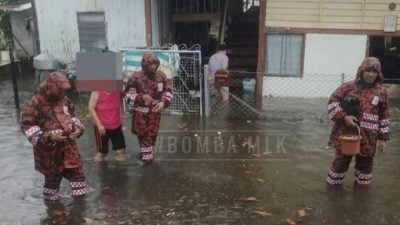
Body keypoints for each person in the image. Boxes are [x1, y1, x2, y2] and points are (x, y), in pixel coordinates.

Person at [21, 72, 86, 203]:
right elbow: (27, 126)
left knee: (78, 176)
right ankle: (52, 210)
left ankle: (79, 210)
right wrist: (49, 137)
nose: (63, 93)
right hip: (49, 152)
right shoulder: (36, 102)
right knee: (52, 181)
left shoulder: (65, 100)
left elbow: (72, 116)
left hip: (68, 147)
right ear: (52, 87)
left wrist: (78, 129)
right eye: (61, 90)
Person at [325, 57, 390, 187]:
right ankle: (332, 193)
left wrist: (383, 139)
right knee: (340, 164)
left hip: (369, 138)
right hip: (346, 135)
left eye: (374, 71)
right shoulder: (347, 87)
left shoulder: (381, 92)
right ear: (361, 71)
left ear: (378, 74)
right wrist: (344, 117)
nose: (371, 74)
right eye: (368, 70)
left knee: (365, 168)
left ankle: (361, 196)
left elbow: (384, 116)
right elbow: (331, 104)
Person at [124, 52, 173, 164]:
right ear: (144, 64)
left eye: (155, 63)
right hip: (140, 113)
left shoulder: (161, 76)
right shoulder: (136, 77)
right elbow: (125, 94)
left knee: (151, 137)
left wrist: (163, 103)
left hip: (155, 113)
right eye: (150, 64)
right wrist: (140, 97)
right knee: (143, 136)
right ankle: (147, 159)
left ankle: (145, 155)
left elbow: (168, 91)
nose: (153, 67)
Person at [88, 91, 127, 162]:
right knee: (102, 153)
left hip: (116, 125)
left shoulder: (118, 91)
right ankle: (100, 171)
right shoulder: (96, 92)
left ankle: (120, 171)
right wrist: (99, 125)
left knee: (120, 151)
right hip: (101, 127)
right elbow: (91, 108)